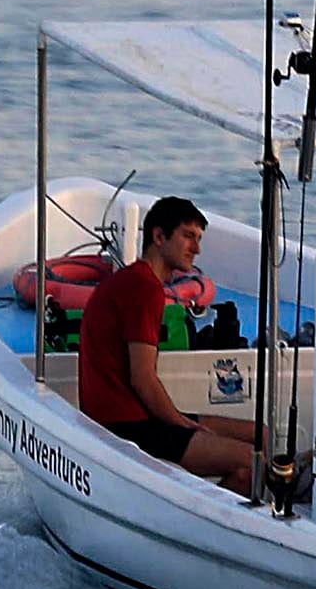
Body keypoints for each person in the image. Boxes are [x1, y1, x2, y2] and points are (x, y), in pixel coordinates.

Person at [74, 195, 257, 492]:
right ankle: (196, 519)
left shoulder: (134, 281)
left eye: (198, 239)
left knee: (258, 434)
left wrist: (181, 421)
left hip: (132, 415)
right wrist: (180, 423)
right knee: (254, 463)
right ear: (159, 236)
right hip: (127, 426)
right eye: (188, 237)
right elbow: (143, 378)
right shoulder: (144, 288)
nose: (196, 249)